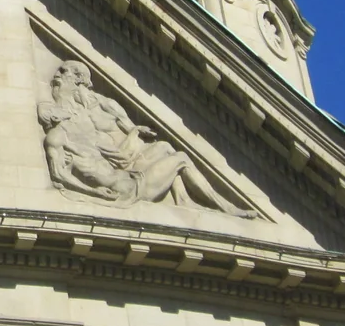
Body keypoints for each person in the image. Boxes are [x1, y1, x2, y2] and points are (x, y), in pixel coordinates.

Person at [39, 61, 251, 215]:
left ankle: (184, 199)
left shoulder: (88, 118)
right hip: (129, 188)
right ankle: (226, 207)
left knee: (166, 146)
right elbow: (60, 177)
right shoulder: (58, 138)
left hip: (128, 172)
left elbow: (119, 145)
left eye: (63, 71)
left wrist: (134, 132)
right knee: (182, 158)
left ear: (78, 79)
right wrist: (98, 194)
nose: (57, 75)